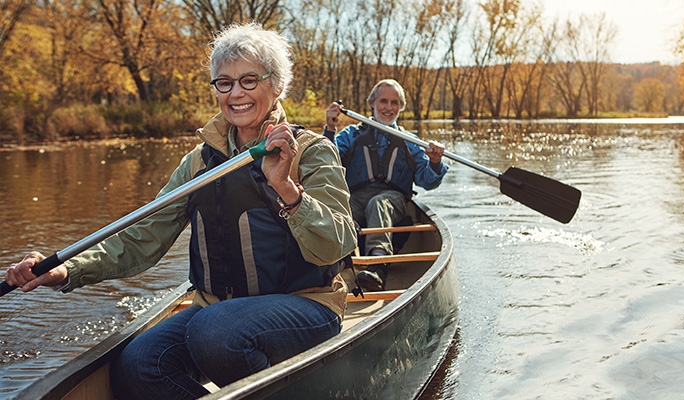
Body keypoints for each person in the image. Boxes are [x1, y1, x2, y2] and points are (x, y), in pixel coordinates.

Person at [4, 22, 356, 400]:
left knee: (215, 333)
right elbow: (141, 237)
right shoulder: (198, 163)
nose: (236, 93)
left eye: (249, 80)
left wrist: (285, 188)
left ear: (278, 86)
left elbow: (338, 243)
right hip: (216, 313)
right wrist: (65, 270)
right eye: (225, 82)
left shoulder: (312, 149)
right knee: (139, 365)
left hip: (305, 305)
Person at [324, 79, 448, 291]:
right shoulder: (350, 135)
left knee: (378, 203)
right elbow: (326, 162)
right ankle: (333, 265)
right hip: (356, 197)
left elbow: (427, 181)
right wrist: (330, 128)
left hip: (393, 200)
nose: (389, 108)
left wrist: (435, 162)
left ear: (400, 107)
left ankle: (377, 265)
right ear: (372, 103)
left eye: (395, 103)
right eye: (383, 101)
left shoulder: (410, 141)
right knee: (339, 208)